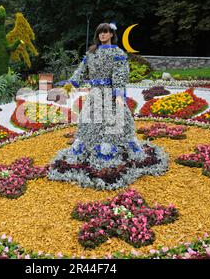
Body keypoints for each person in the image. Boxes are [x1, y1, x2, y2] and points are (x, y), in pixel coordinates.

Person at [48, 23, 164, 189]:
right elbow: (80, 72)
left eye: (106, 32)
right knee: (89, 120)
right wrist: (68, 88)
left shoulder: (117, 53)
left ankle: (117, 148)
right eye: (100, 32)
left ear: (111, 34)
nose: (103, 34)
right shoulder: (91, 53)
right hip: (95, 93)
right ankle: (85, 148)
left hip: (110, 94)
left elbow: (120, 74)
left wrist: (118, 95)